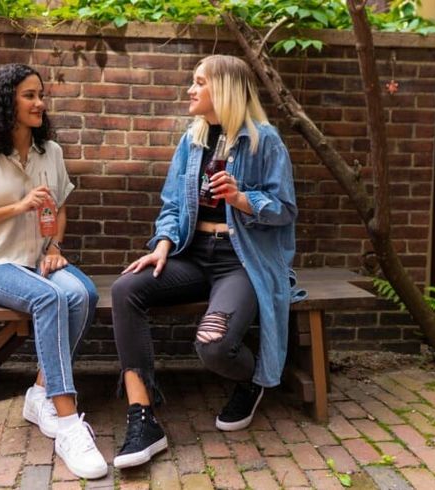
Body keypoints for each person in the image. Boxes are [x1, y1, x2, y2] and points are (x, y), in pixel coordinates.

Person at [110, 55, 302, 469]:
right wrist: (162, 243)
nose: (190, 90)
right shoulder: (192, 141)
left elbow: (285, 209)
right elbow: (172, 204)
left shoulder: (264, 141)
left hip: (242, 261)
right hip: (193, 256)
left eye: (200, 82)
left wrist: (241, 198)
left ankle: (253, 379)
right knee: (126, 289)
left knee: (212, 348)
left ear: (225, 90)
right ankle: (142, 416)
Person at [0, 63, 106, 479]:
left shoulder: (50, 152)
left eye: (41, 95)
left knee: (84, 293)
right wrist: (19, 207)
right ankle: (68, 420)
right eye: (29, 95)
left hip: (39, 260)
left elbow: (61, 209)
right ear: (8, 101)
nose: (40, 103)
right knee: (52, 296)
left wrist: (54, 246)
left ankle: (39, 392)